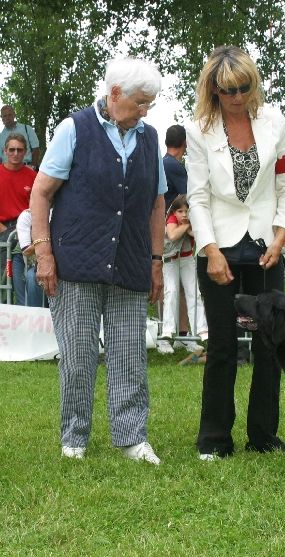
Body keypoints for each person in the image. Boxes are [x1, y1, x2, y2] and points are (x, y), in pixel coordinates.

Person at [29, 57, 166, 464]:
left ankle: (131, 438)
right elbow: (41, 194)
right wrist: (44, 254)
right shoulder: (74, 128)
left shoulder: (149, 138)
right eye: (140, 102)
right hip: (75, 262)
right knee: (79, 355)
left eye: (150, 105)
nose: (144, 111)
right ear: (116, 93)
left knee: (129, 355)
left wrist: (156, 260)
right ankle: (75, 439)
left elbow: (157, 203)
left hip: (129, 261)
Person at [186, 45, 285, 461]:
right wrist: (210, 249)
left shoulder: (275, 123)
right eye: (226, 90)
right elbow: (197, 198)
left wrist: (281, 235)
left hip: (266, 245)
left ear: (254, 84)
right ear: (213, 90)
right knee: (222, 345)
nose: (235, 97)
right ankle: (214, 439)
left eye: (243, 87)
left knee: (270, 346)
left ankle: (264, 437)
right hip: (219, 246)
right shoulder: (199, 130)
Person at [160, 194, 208, 353]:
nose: (184, 215)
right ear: (174, 211)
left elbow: (198, 235)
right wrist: (186, 227)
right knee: (171, 291)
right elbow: (173, 235)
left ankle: (199, 331)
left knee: (194, 292)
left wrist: (190, 226)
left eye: (187, 211)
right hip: (170, 259)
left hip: (187, 258)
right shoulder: (172, 219)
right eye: (180, 211)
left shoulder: (190, 220)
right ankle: (167, 331)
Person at [0, 133, 36, 303]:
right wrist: (4, 230)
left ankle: (24, 313)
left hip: (26, 231)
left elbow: (39, 206)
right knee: (2, 280)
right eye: (12, 149)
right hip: (3, 230)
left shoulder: (32, 176)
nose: (15, 153)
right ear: (5, 151)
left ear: (25, 152)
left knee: (24, 279)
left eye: (19, 150)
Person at [163, 124, 188, 210]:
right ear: (185, 142)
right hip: (169, 218)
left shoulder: (163, 162)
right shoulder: (174, 166)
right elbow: (188, 196)